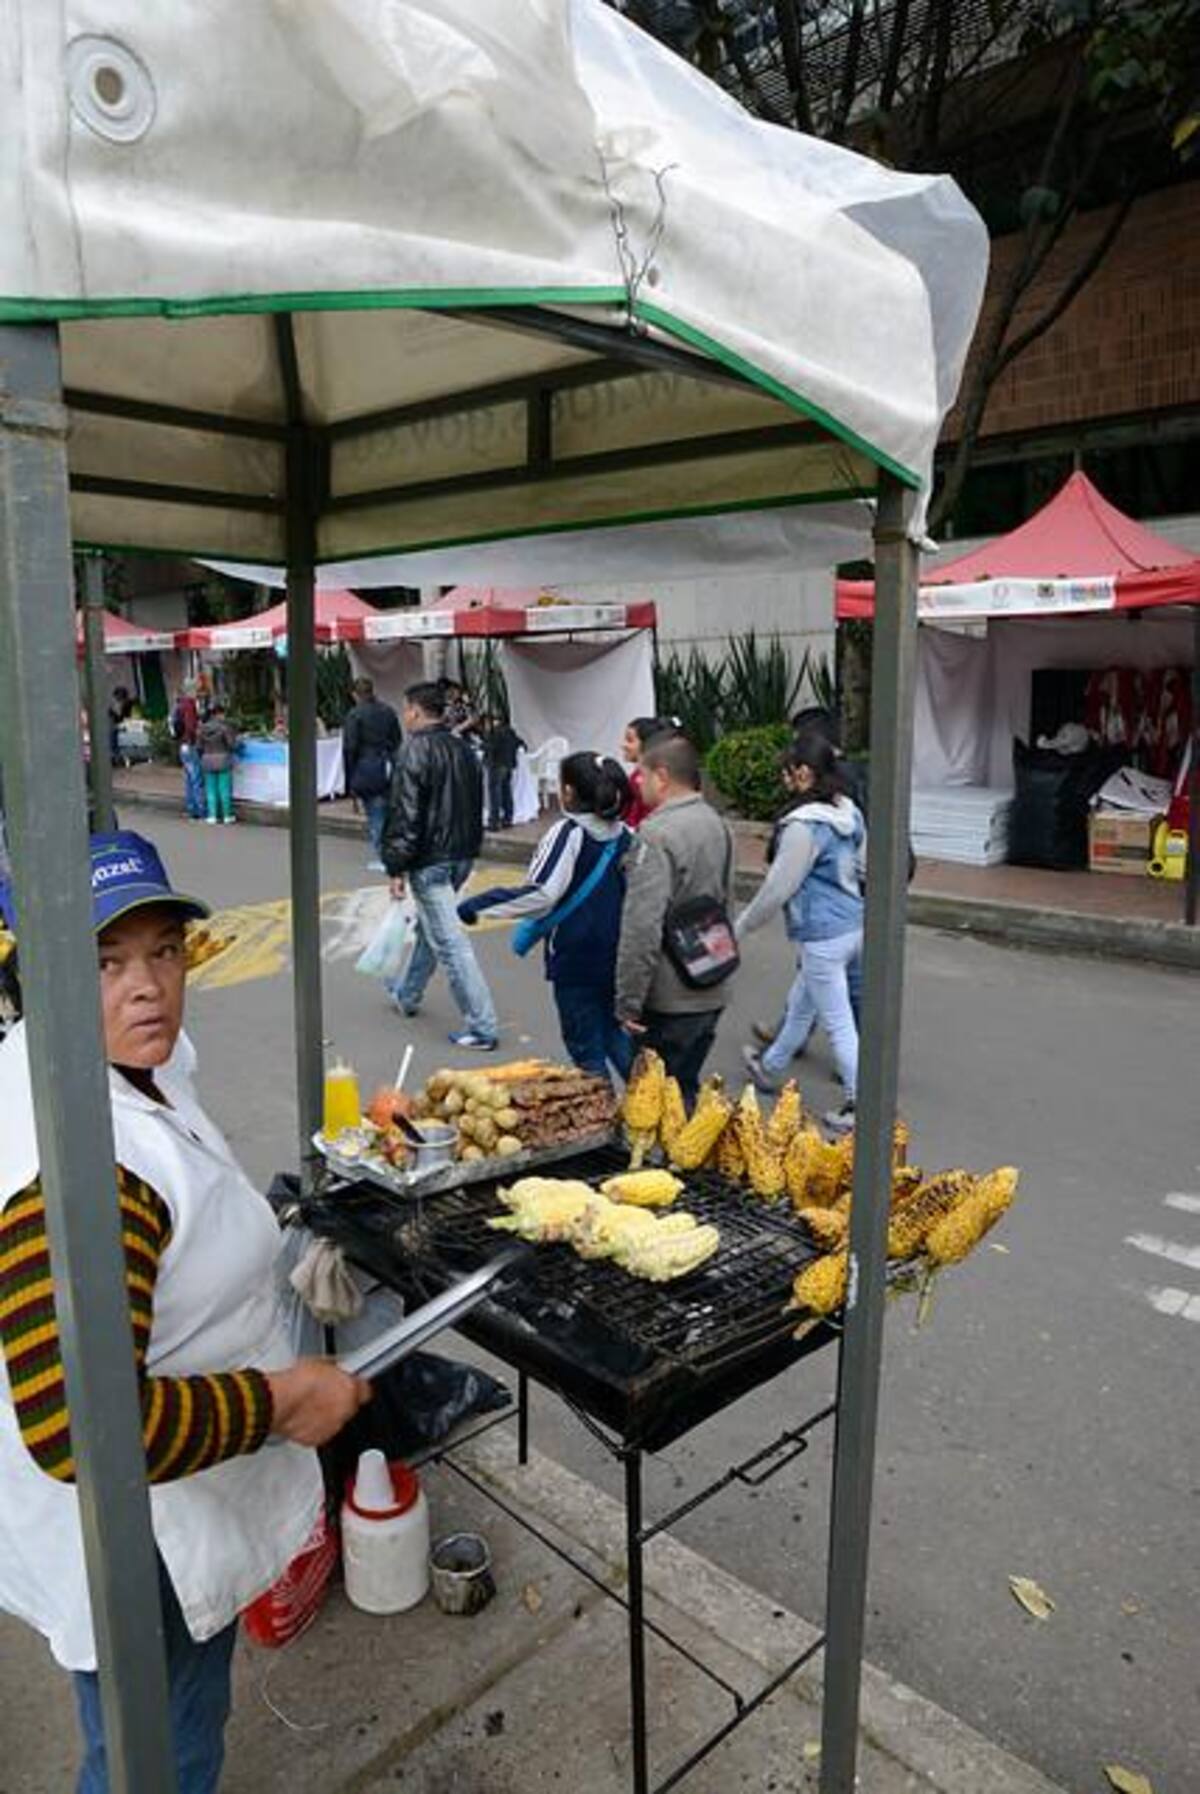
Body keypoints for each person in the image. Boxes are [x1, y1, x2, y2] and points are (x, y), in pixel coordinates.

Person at [0, 830, 370, 1792]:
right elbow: (79, 1425)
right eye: (105, 962)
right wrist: (284, 1400)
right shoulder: (76, 1168)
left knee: (170, 1727)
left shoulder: (120, 1060)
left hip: (170, 1506)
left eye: (164, 951)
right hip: (138, 1542)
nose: (149, 988)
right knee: (154, 1757)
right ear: (40, 974)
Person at [459, 753, 634, 1080]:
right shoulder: (627, 835)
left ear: (568, 792)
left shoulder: (568, 834)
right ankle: (649, 1107)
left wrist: (478, 905)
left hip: (576, 958)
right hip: (619, 956)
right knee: (615, 1036)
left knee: (586, 1052)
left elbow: (542, 894)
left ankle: (604, 1110)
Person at [737, 734, 865, 1134]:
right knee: (802, 1003)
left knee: (838, 1022)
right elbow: (864, 867)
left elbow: (778, 888)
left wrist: (741, 927)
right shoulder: (848, 811)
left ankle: (860, 1104)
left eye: (788, 772)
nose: (783, 779)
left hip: (822, 935)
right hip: (854, 924)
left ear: (805, 773)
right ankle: (770, 1067)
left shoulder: (804, 826)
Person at [615, 733, 736, 1104]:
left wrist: (628, 1001)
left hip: (669, 996)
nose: (638, 784)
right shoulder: (716, 822)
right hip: (710, 982)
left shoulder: (656, 835)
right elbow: (726, 904)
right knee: (683, 1089)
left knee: (652, 1104)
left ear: (662, 777)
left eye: (643, 775)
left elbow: (641, 926)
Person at [381, 681, 499, 1051]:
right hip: (461, 853)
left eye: (406, 709)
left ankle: (482, 1026)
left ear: (415, 711)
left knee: (449, 943)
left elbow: (405, 814)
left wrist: (395, 867)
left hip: (430, 858)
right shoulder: (462, 748)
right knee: (434, 930)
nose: (404, 715)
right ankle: (407, 993)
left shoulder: (413, 750)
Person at [341, 677, 401, 870]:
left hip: (367, 766)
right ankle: (395, 852)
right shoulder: (388, 711)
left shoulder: (354, 715)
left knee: (375, 814)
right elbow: (397, 740)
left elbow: (350, 747)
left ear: (355, 694)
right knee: (389, 811)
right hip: (389, 763)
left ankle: (384, 857)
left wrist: (350, 778)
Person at [620, 716, 676, 829]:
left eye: (630, 740)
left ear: (647, 743)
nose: (623, 745)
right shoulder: (641, 774)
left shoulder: (648, 778)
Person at [481, 715, 526, 832]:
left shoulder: (494, 733)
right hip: (508, 765)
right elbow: (521, 743)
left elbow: (490, 747)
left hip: (496, 765)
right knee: (507, 793)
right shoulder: (510, 731)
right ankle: (508, 819)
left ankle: (494, 823)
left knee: (494, 795)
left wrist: (482, 744)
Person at [197, 702, 238, 826]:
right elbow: (232, 745)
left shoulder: (202, 729)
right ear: (219, 714)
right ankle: (227, 816)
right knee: (224, 789)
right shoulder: (225, 728)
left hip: (207, 760)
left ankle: (212, 816)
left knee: (210, 789)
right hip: (223, 760)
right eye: (223, 713)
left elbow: (199, 747)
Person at [171, 680, 205, 821]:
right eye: (197, 690)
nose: (199, 693)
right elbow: (191, 726)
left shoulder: (179, 704)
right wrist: (196, 738)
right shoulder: (190, 704)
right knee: (197, 778)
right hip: (190, 744)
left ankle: (192, 809)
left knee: (189, 779)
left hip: (182, 745)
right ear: (192, 690)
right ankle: (201, 811)